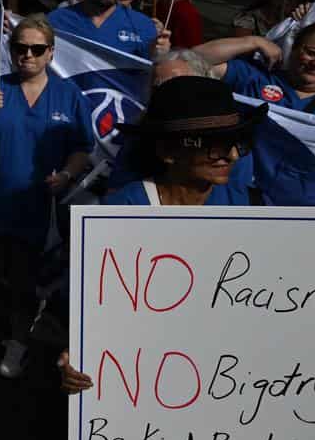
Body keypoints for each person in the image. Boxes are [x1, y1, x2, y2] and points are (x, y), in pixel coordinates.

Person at [58, 76, 269, 393]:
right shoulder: (122, 211)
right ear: (169, 152)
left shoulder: (248, 208)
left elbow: (277, 301)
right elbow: (87, 302)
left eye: (237, 142)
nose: (233, 156)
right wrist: (78, 349)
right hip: (137, 383)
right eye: (215, 145)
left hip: (221, 382)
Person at [0, 15, 93, 377]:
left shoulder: (69, 95)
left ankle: (17, 344)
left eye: (36, 49)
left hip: (39, 208)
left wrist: (66, 175)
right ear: (11, 50)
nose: (27, 56)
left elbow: (83, 149)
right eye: (20, 48)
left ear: (50, 53)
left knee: (25, 284)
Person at [194, 22, 315, 123]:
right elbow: (193, 59)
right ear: (294, 49)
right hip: (236, 183)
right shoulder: (256, 77)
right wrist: (253, 41)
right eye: (311, 53)